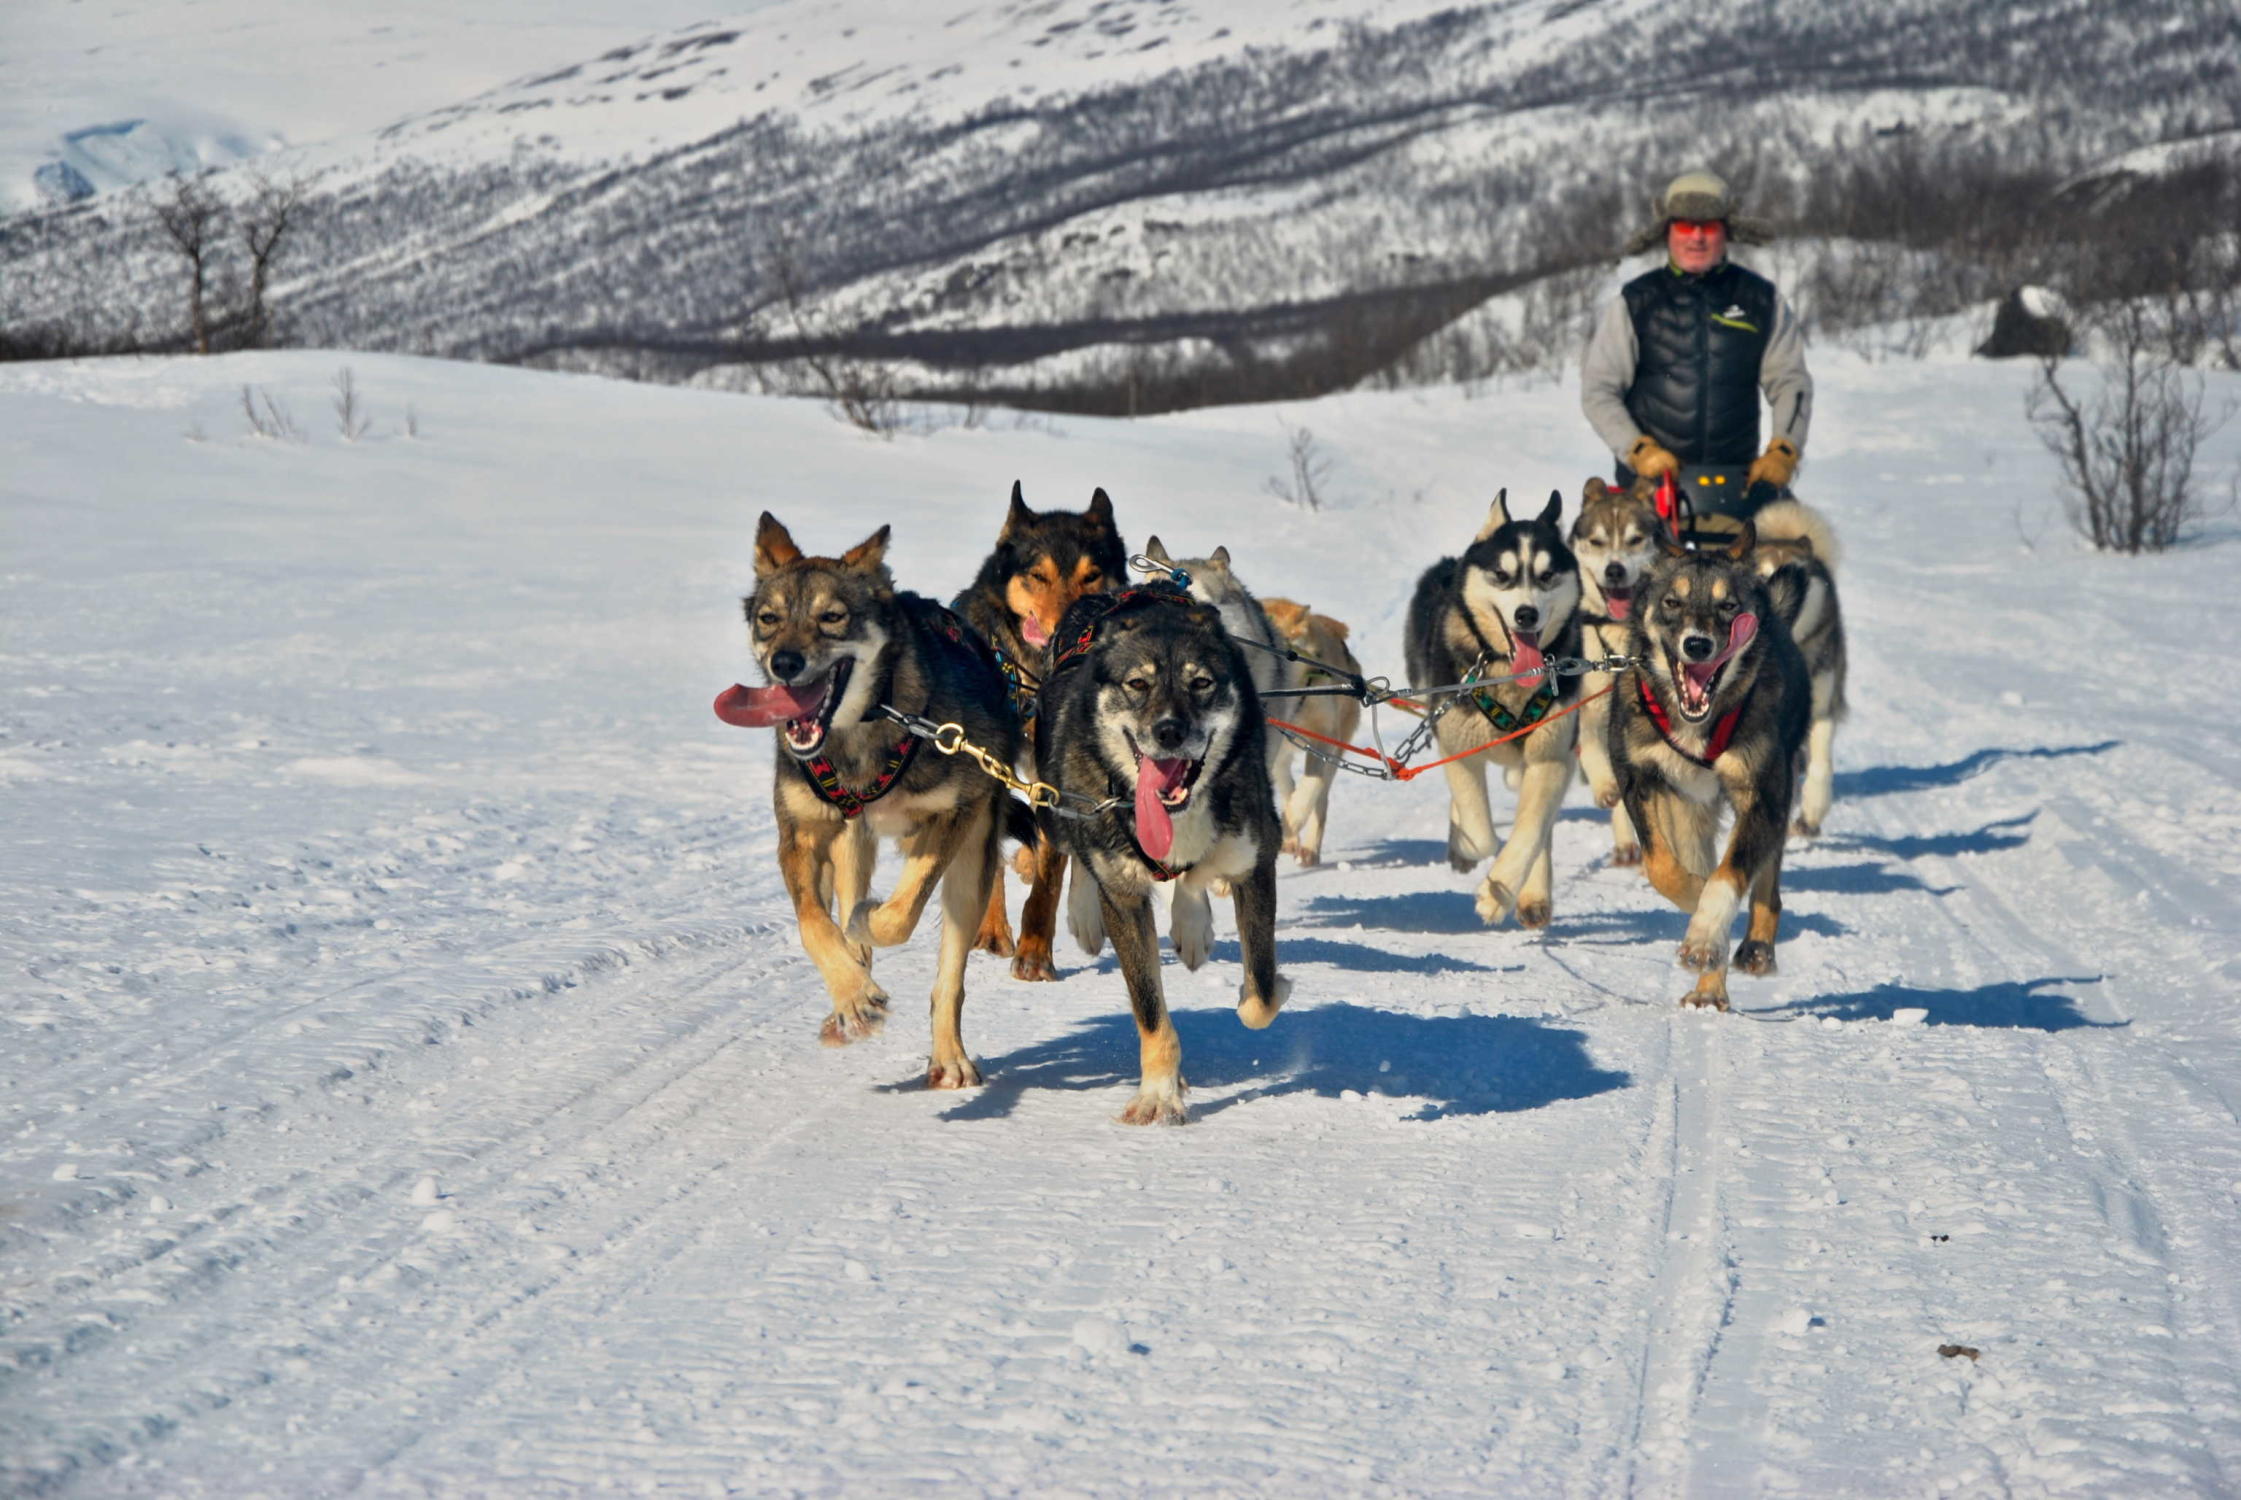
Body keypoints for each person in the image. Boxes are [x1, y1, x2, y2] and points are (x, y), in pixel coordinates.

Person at [1580, 170, 1813, 529]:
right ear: (1668, 231)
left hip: (1740, 490)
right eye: (1686, 226)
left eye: (1709, 226)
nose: (1698, 238)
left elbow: (1790, 382)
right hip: (1647, 494)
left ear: (1727, 231)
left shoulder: (1760, 299)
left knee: (1799, 562)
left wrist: (1784, 449)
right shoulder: (1636, 302)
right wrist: (1638, 450)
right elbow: (1599, 390)